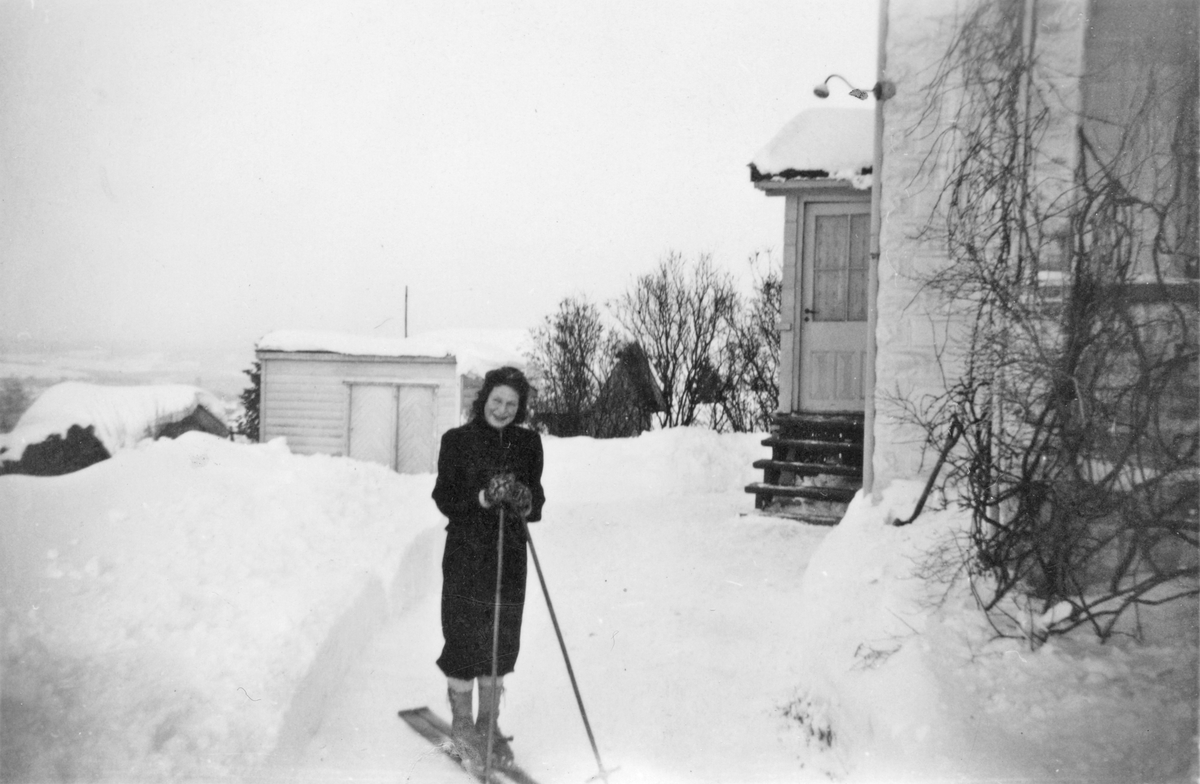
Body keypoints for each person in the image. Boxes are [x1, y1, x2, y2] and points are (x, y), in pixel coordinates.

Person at [431, 366, 545, 765]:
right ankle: (463, 725)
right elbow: (444, 497)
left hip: (510, 553)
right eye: (497, 401)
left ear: (521, 407)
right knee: (463, 636)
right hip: (467, 553)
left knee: (501, 639)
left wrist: (523, 499)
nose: (503, 409)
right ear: (484, 400)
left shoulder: (529, 443)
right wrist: (482, 498)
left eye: (512, 404)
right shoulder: (457, 441)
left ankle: (488, 724)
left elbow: (538, 504)